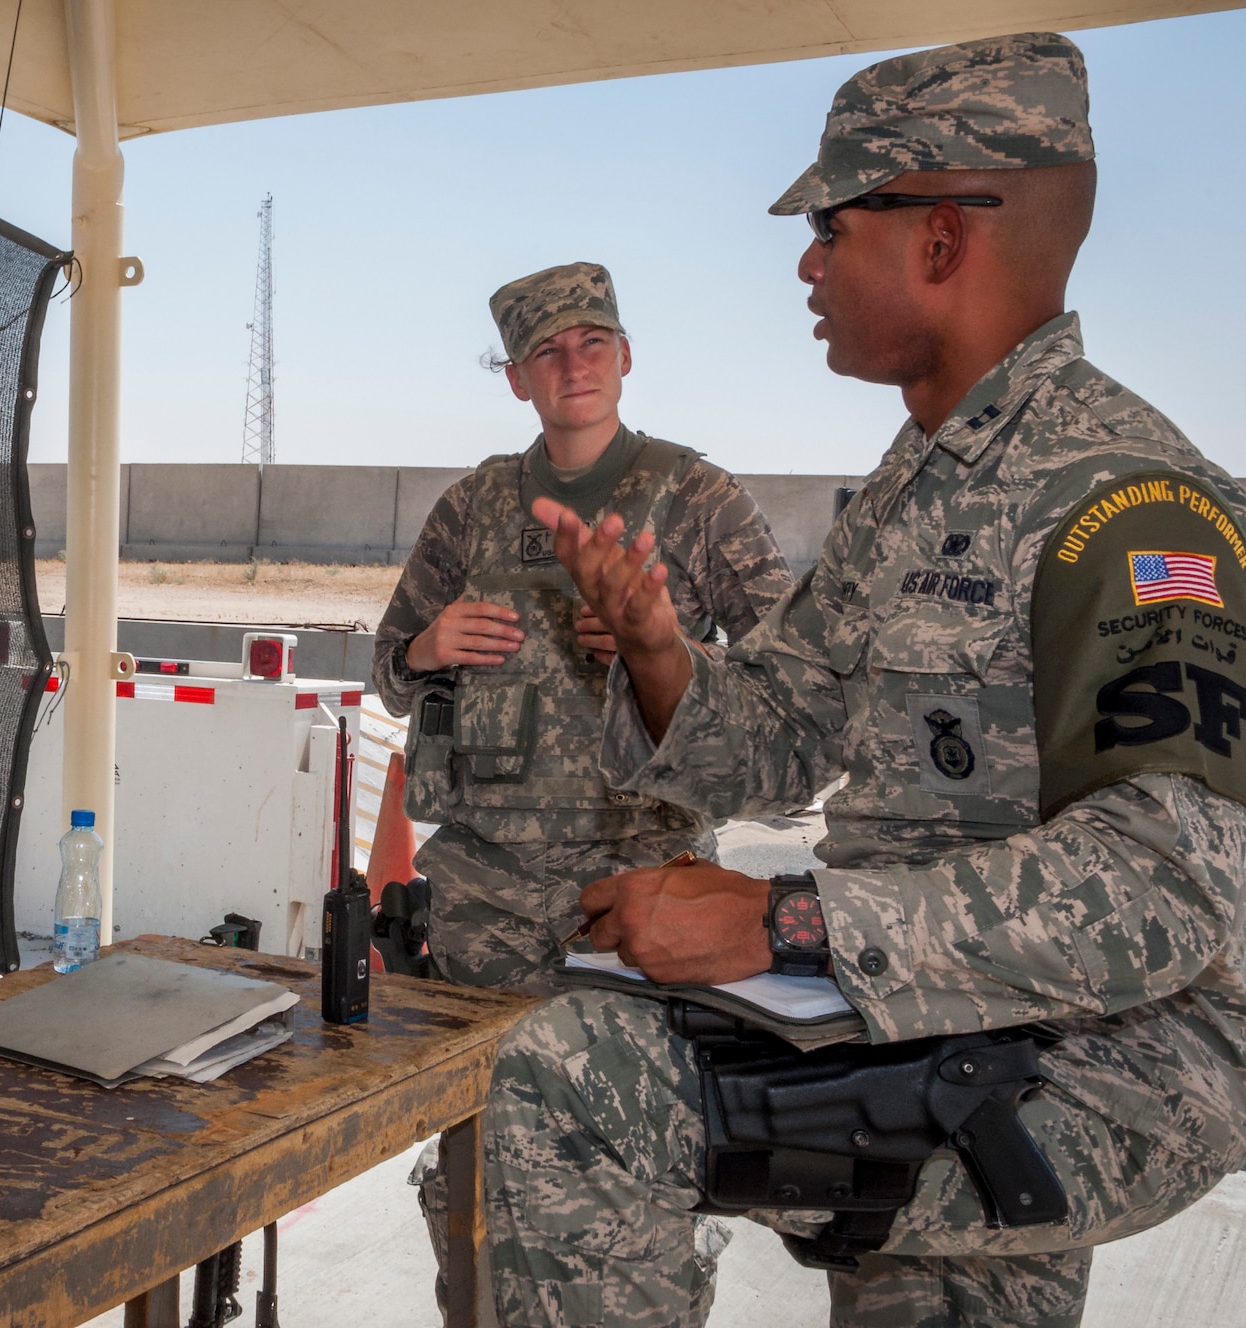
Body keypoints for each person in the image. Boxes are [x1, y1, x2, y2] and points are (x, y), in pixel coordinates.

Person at [488, 32, 1246, 1328]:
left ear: (940, 240)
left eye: (832, 227)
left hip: (1111, 1054)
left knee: (574, 1081)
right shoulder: (921, 486)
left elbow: (1171, 885)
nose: (807, 262)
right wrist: (663, 648)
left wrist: (784, 926)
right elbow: (778, 732)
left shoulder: (1134, 502)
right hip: (929, 1007)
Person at [372, 261, 792, 996]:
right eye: (546, 352)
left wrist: (670, 650)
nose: (573, 366)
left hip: (640, 898)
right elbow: (387, 678)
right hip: (485, 901)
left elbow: (790, 690)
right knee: (484, 1103)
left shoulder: (699, 499)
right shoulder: (470, 508)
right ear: (517, 380)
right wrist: (425, 648)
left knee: (641, 1103)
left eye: (593, 342)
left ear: (625, 357)